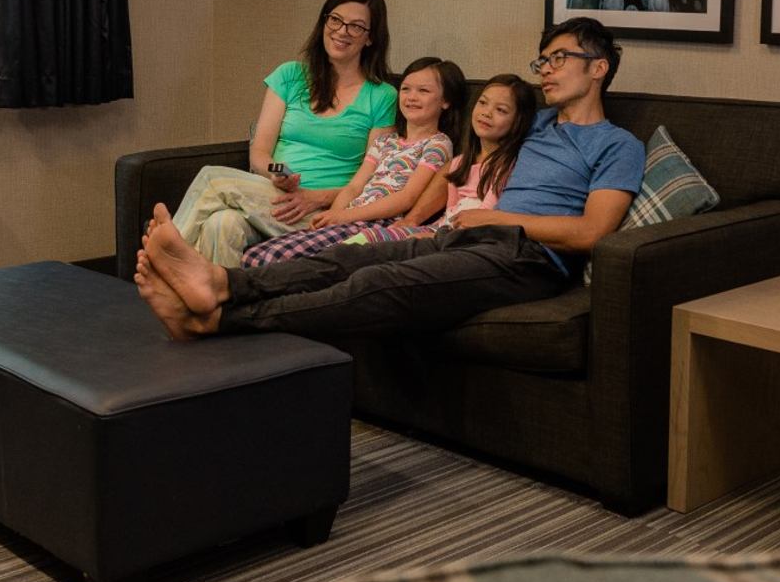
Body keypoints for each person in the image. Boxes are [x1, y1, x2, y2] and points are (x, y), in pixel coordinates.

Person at [134, 18, 644, 342]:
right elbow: (468, 138)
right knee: (348, 256)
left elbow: (592, 233)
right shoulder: (531, 122)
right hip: (466, 235)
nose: (546, 70)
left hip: (527, 259)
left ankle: (216, 321)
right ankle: (221, 282)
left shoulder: (617, 145)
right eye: (543, 60)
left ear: (598, 68)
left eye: (560, 59)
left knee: (381, 283)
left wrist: (492, 217)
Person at [170, 0, 395, 266]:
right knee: (222, 223)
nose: (341, 31)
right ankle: (216, 309)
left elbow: (375, 176)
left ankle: (168, 258)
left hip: (325, 211)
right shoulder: (290, 75)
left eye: (356, 26)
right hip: (275, 195)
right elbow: (261, 153)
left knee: (213, 179)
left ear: (370, 38)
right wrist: (281, 173)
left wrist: (316, 198)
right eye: (335, 19)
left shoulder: (382, 95)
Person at [239, 57, 464, 267]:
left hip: (377, 222)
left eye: (423, 91)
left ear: (445, 101)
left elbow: (407, 198)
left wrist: (344, 216)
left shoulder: (438, 144)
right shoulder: (386, 141)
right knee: (256, 255)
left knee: (273, 258)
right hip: (348, 217)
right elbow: (355, 186)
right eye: (405, 89)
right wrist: (331, 216)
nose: (411, 97)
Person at [358, 73, 537, 242]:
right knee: (371, 238)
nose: (486, 113)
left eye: (501, 110)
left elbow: (483, 216)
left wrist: (434, 236)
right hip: (442, 230)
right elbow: (449, 212)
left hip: (463, 239)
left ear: (518, 121)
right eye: (483, 103)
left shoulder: (507, 165)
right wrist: (424, 231)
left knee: (376, 241)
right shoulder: (459, 163)